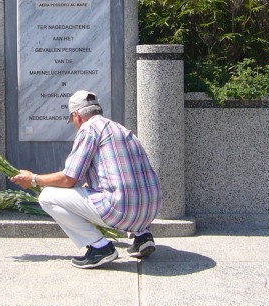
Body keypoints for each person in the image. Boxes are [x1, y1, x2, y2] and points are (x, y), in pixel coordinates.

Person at [10, 89, 161, 268]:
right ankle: (142, 237)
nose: (74, 125)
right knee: (127, 189)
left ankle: (100, 248)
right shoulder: (119, 128)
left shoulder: (89, 128)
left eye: (72, 120)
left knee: (47, 197)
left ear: (77, 116)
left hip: (122, 211)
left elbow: (69, 179)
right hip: (150, 209)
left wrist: (33, 179)